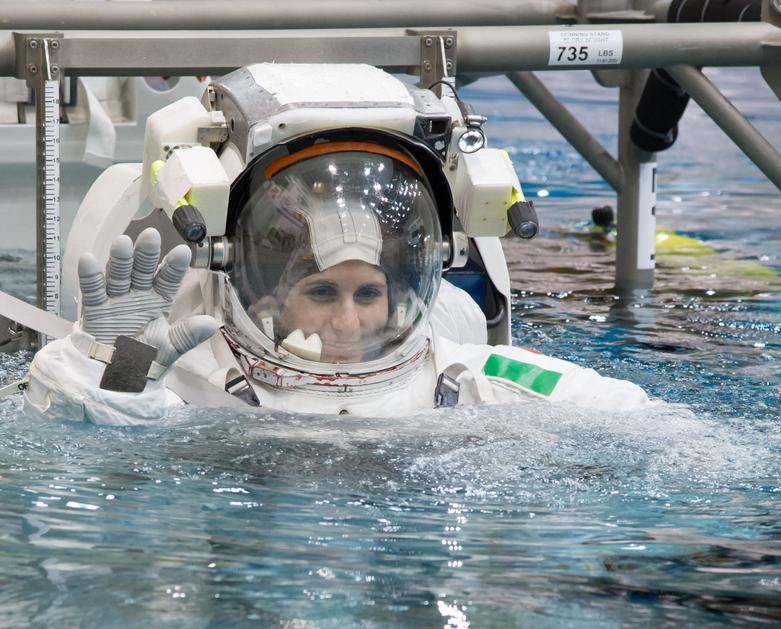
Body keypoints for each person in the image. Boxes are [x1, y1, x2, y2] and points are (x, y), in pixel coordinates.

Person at [23, 63, 651, 424]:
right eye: (321, 290)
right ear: (262, 290)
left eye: (369, 291)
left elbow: (648, 429)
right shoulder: (198, 384)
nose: (349, 320)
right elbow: (91, 429)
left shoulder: (463, 379)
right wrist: (107, 358)